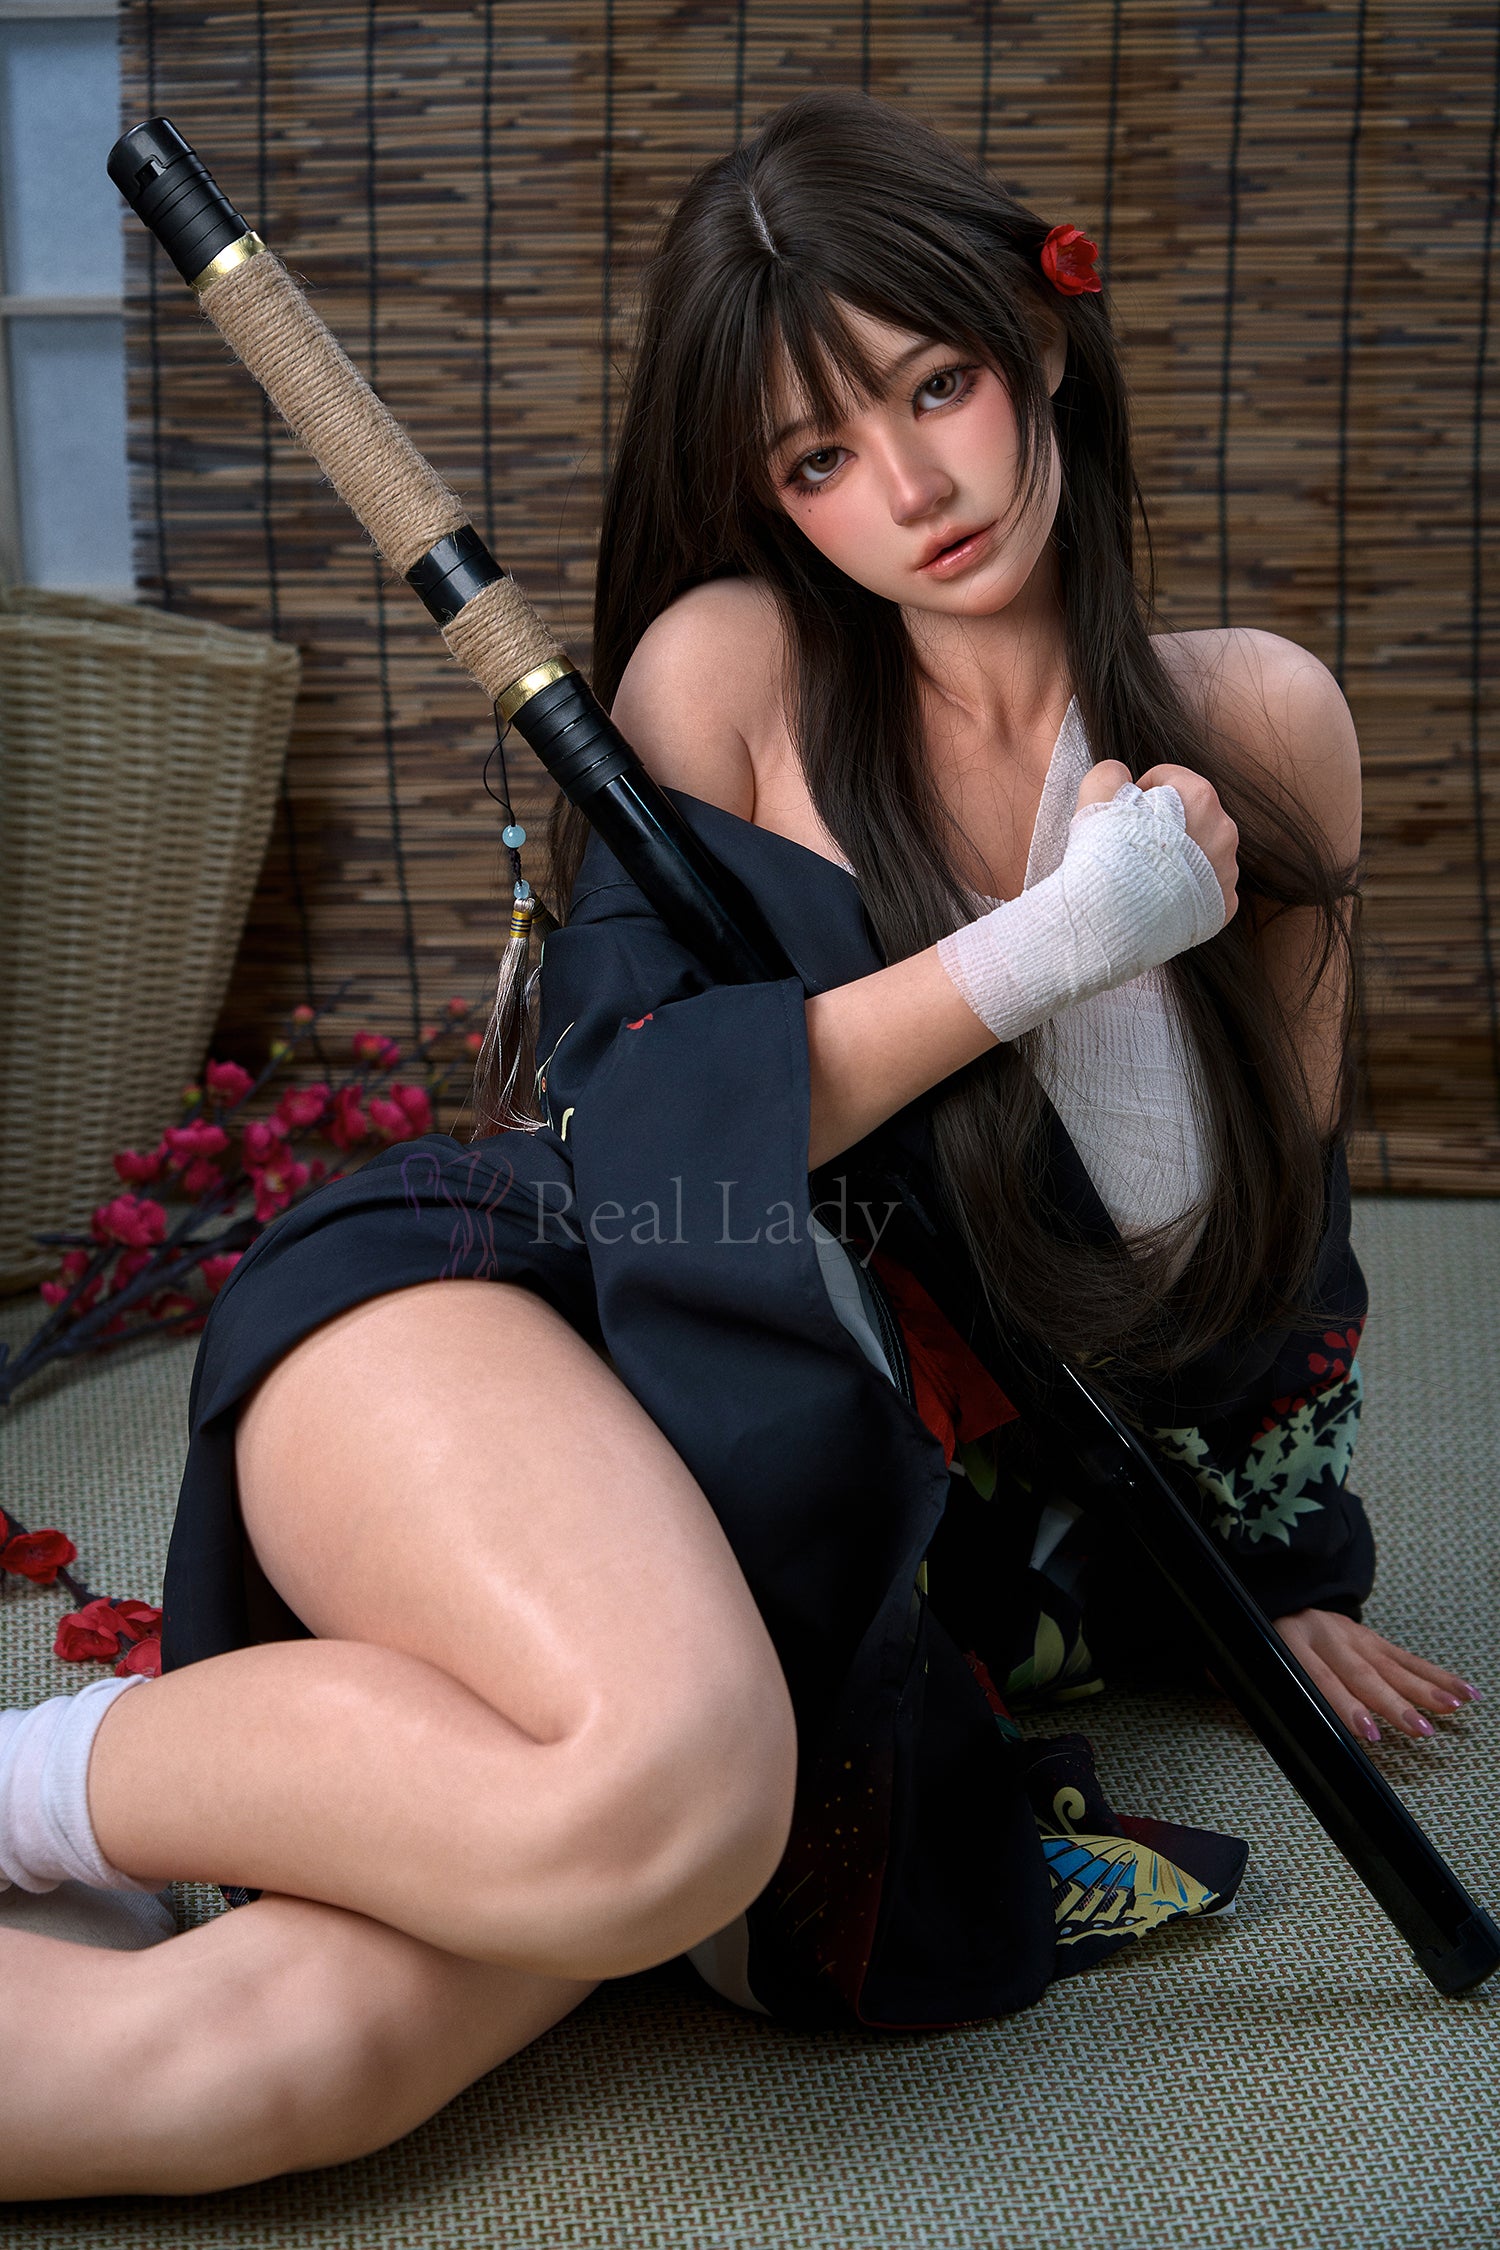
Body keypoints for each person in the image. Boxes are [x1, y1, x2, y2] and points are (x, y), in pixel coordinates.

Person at [0, 90, 1479, 2199]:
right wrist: (1063, 940)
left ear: (1041, 339)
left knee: (263, 2062)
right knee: (671, 1800)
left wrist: (1262, 1576)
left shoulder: (1261, 724)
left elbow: (1278, 1260)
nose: (910, 488)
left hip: (776, 1536)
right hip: (505, 1332)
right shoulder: (738, 671)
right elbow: (644, 1130)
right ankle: (31, 1778)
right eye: (816, 457)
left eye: (936, 386)